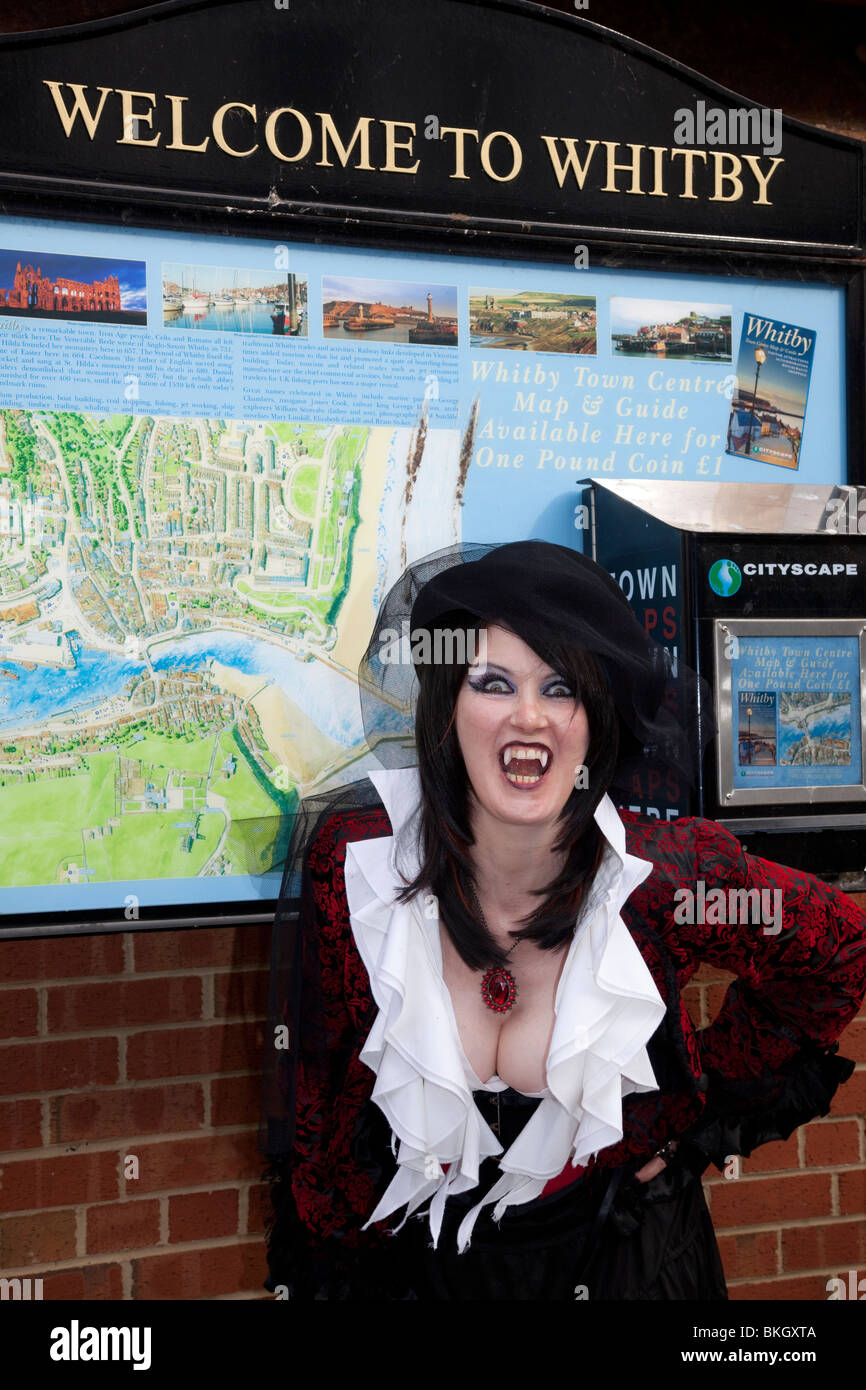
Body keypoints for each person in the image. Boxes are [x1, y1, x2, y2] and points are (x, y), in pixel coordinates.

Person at [261, 540, 866, 1301]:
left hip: (621, 1266)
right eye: (492, 682)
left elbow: (839, 950)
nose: (528, 717)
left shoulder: (664, 882)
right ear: (447, 707)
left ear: (597, 720)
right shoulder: (359, 867)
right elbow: (322, 1098)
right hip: (426, 1275)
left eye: (559, 688)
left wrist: (691, 1111)